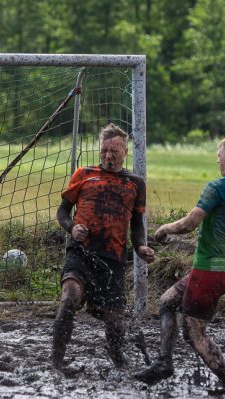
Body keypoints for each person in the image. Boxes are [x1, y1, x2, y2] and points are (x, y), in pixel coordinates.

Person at [135, 134, 225, 390]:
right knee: (167, 302)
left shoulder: (218, 187)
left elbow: (190, 222)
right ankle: (164, 362)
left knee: (194, 332)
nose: (218, 162)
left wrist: (165, 229)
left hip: (208, 270)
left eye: (219, 157)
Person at [51, 123, 156, 370]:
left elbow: (137, 225)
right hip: (81, 251)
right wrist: (72, 228)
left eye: (114, 152)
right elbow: (62, 212)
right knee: (70, 298)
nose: (108, 156)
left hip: (113, 259)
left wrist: (141, 247)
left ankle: (120, 363)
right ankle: (56, 362)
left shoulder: (135, 183)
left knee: (115, 323)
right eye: (104, 151)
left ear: (125, 152)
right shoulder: (84, 174)